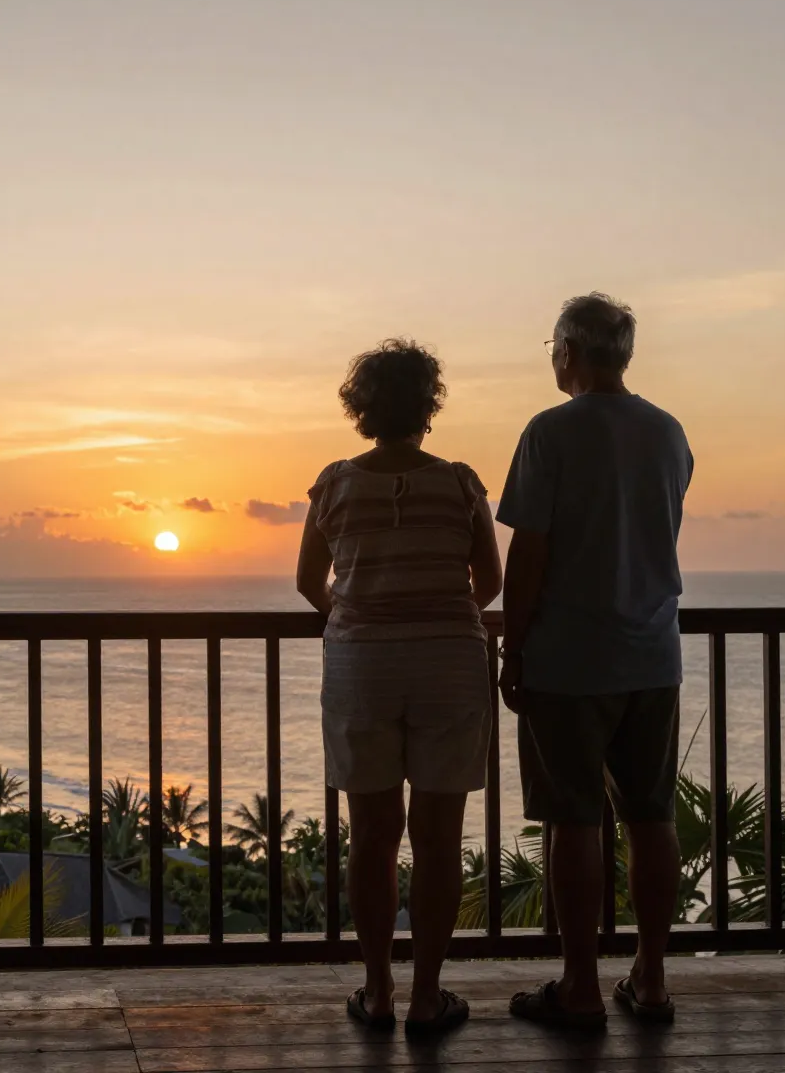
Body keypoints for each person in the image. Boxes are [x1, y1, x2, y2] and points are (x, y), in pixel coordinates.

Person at [496, 293, 692, 1030]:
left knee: (573, 820)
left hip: (569, 660)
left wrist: (514, 648)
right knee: (652, 817)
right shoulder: (668, 433)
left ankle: (580, 987)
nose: (551, 356)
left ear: (570, 352)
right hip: (652, 653)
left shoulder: (550, 433)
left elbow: (531, 551)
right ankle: (651, 979)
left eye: (552, 345)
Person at [298, 338, 502, 1041]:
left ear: (362, 408)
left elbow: (307, 583)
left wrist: (357, 614)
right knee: (438, 840)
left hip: (363, 667)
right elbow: (492, 582)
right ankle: (426, 996)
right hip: (450, 663)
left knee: (373, 838)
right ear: (428, 405)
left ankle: (378, 990)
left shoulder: (335, 483)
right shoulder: (459, 482)